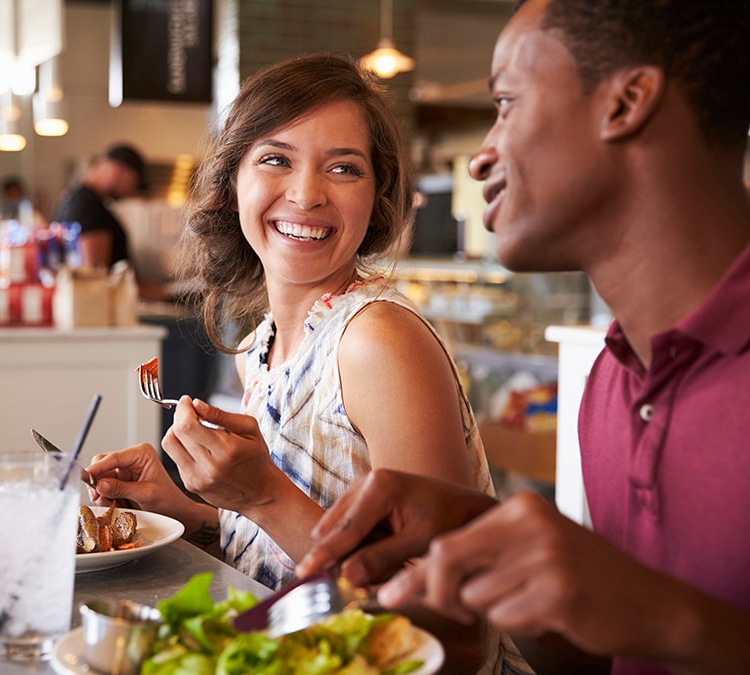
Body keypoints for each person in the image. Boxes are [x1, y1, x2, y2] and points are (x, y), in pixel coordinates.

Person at [298, 1, 750, 673]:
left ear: (625, 103)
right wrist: (483, 563)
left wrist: (663, 613)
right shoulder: (612, 380)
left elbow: (656, 622)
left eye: (506, 103)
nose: (481, 156)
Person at [85, 52, 521, 673]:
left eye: (344, 168)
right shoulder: (261, 349)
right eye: (276, 158)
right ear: (234, 177)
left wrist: (263, 497)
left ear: (378, 198)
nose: (307, 194)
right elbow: (297, 549)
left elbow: (453, 633)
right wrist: (188, 509)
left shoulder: (377, 342)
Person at [52, 143, 148, 270]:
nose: (131, 192)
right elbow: (95, 276)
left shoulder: (73, 198)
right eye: (134, 183)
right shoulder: (89, 206)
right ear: (120, 169)